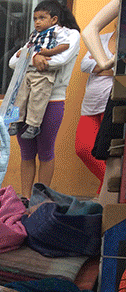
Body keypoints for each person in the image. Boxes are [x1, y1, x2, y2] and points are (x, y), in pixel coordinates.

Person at [7, 2, 73, 139]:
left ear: (54, 19)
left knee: (38, 98)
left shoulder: (59, 32)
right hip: (29, 72)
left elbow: (64, 47)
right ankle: (16, 121)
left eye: (42, 18)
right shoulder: (34, 35)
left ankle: (33, 125)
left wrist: (48, 52)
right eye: (35, 19)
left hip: (44, 73)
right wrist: (31, 55)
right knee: (20, 95)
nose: (37, 22)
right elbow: (13, 62)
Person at [76, 28, 115, 191]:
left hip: (113, 103)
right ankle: (111, 186)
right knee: (83, 148)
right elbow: (85, 65)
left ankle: (104, 195)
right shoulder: (101, 38)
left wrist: (99, 64)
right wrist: (110, 67)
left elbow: (120, 70)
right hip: (91, 104)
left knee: (111, 155)